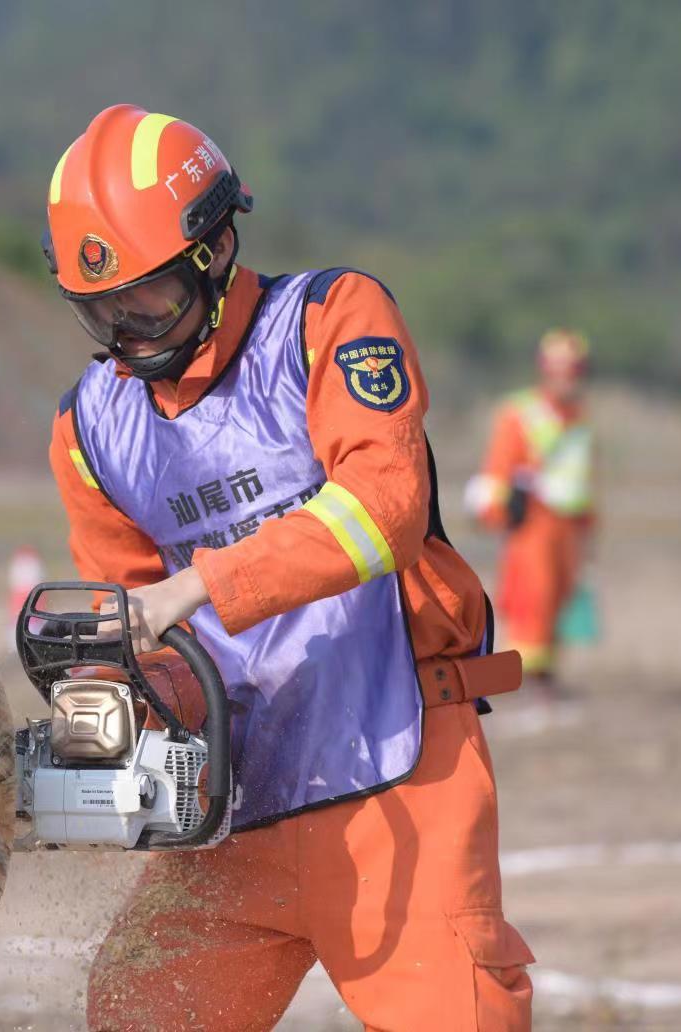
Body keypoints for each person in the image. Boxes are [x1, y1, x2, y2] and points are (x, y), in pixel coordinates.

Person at [43, 104, 533, 1032]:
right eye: (99, 310)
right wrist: (103, 720)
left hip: (398, 770)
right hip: (232, 805)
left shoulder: (329, 320)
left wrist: (199, 585)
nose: (128, 333)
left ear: (217, 250)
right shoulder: (87, 430)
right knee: (135, 1016)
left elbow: (384, 509)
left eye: (147, 301)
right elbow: (136, 632)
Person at [465, 330, 597, 699]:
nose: (567, 378)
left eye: (574, 369)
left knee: (559, 603)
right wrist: (495, 511)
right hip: (532, 524)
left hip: (568, 527)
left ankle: (545, 679)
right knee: (531, 601)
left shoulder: (580, 417)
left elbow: (585, 478)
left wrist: (589, 529)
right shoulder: (521, 412)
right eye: (559, 369)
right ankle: (526, 685)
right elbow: (498, 469)